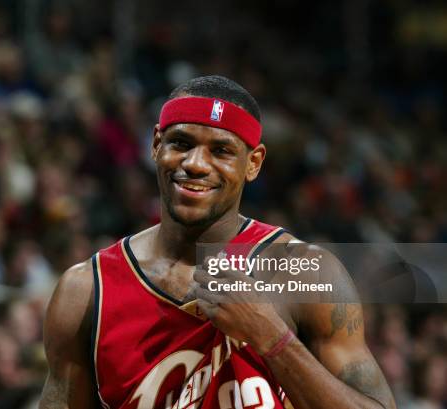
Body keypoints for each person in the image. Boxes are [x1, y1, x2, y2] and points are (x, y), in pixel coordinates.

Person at [39, 76, 396, 409]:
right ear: (155, 145)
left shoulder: (306, 272)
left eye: (221, 150)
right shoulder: (84, 291)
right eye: (181, 143)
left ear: (253, 163)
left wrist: (274, 340)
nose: (195, 164)